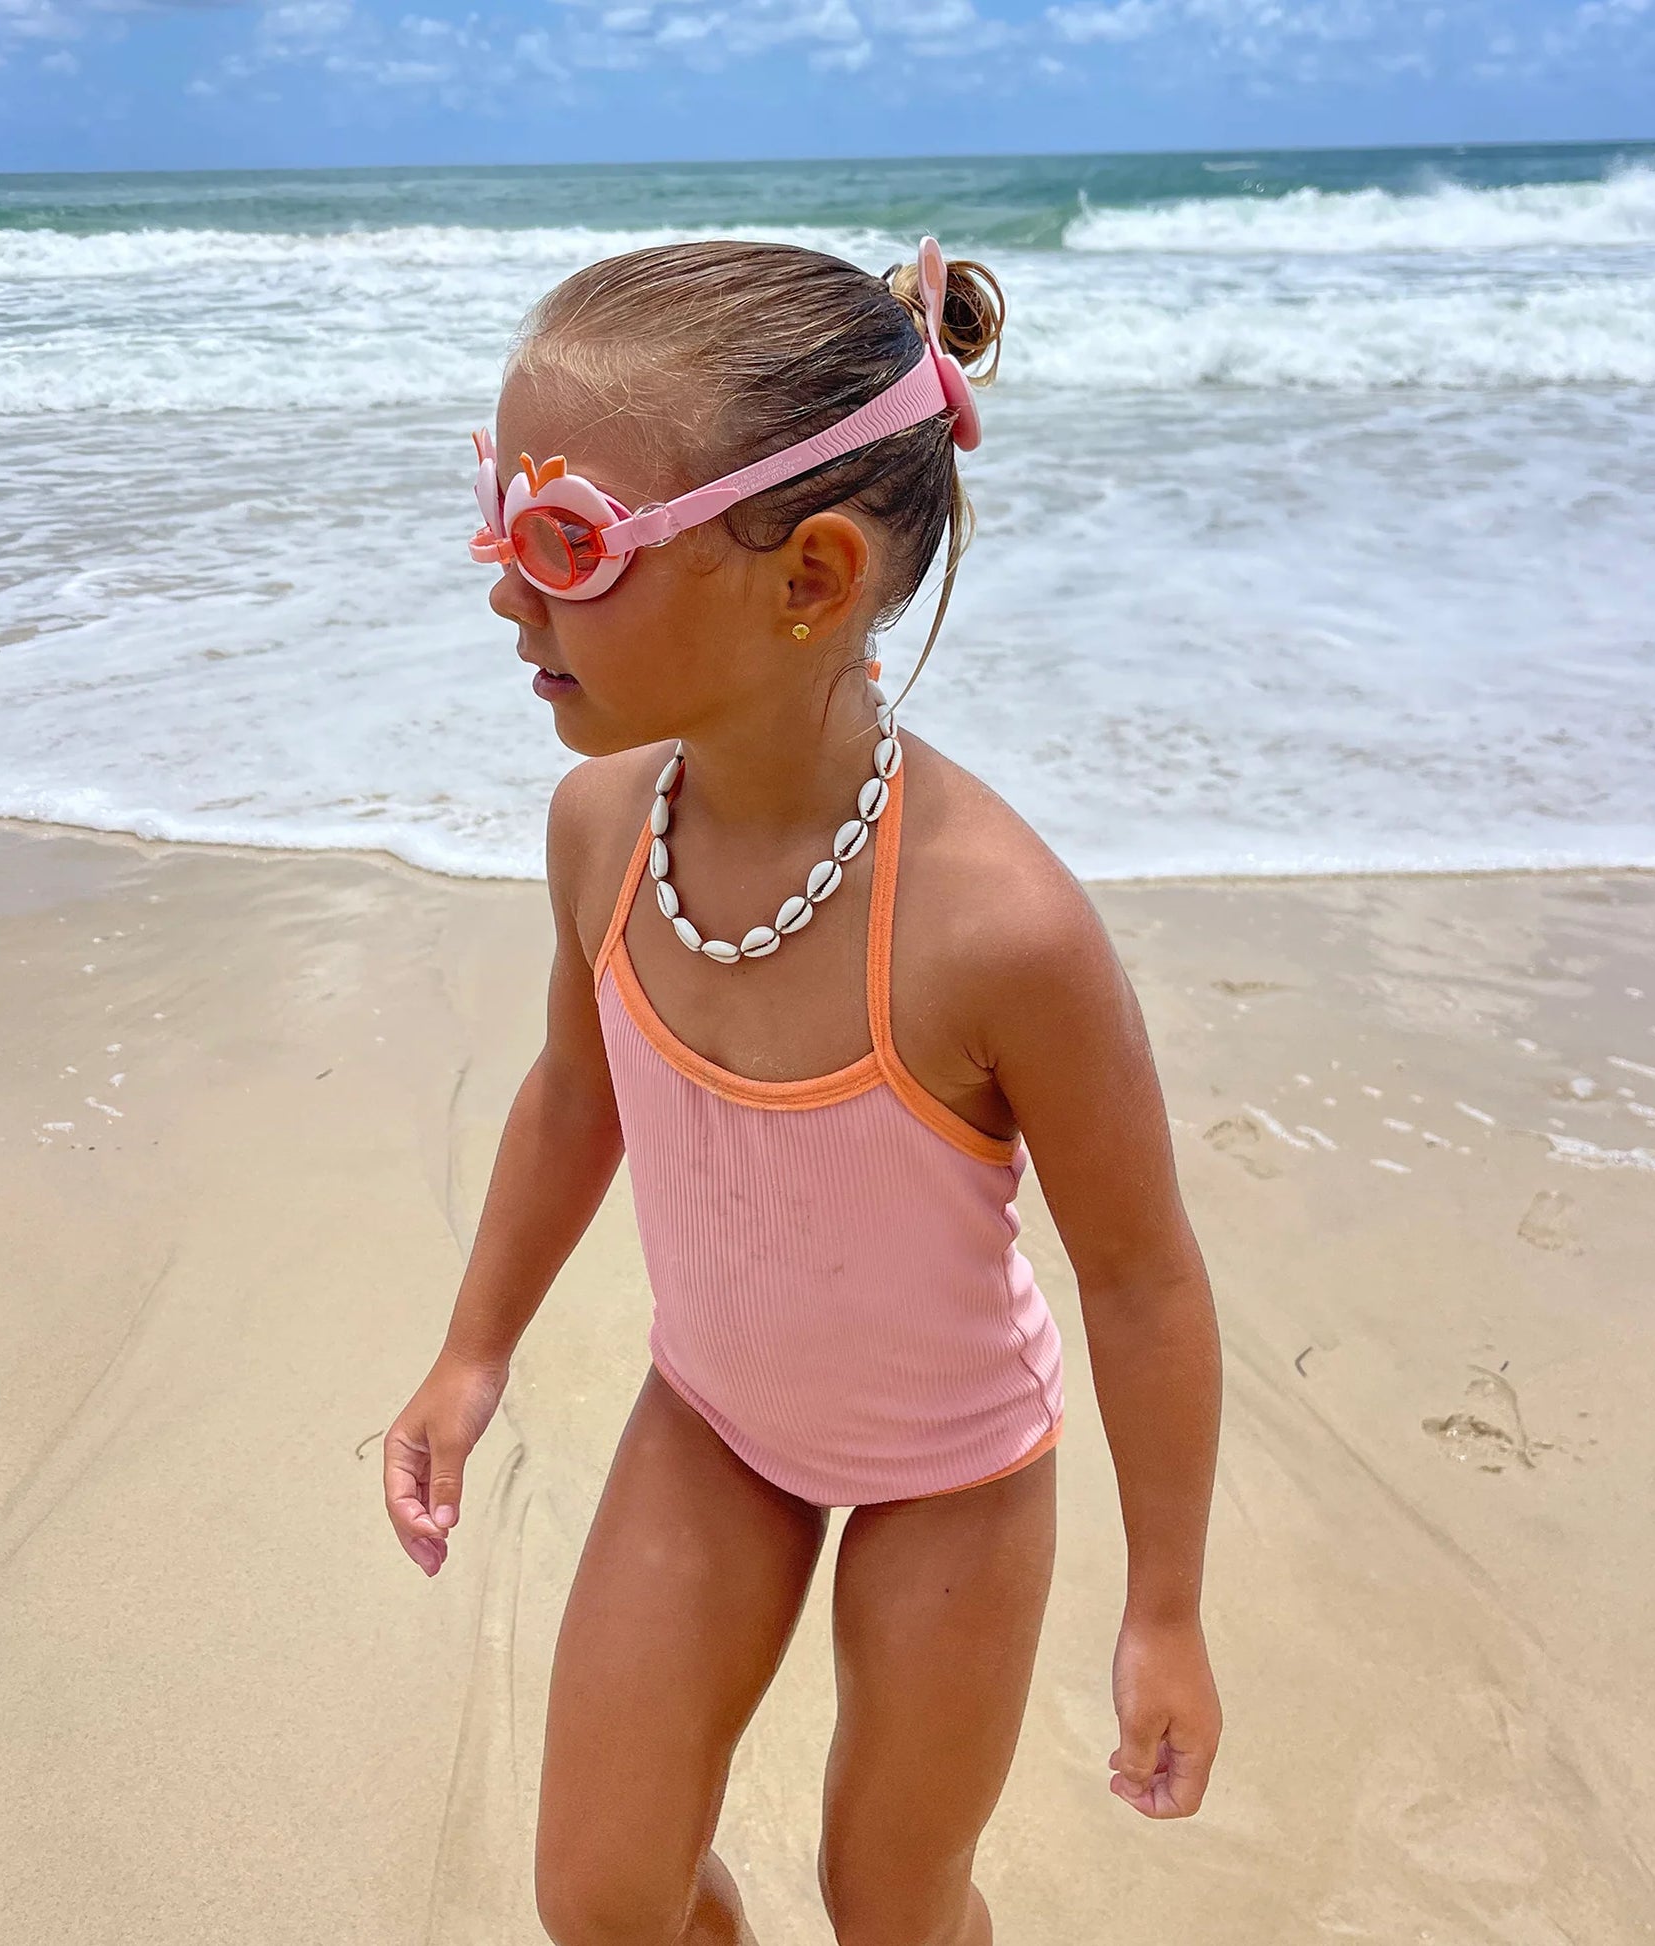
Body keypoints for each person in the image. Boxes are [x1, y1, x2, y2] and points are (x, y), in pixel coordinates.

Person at [383, 234, 1223, 1946]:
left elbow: (1141, 1279)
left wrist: (1164, 1608)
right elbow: (574, 1095)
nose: (504, 594)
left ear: (813, 575)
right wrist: (473, 1350)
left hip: (950, 1470)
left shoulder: (1000, 930)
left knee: (889, 1901)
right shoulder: (601, 830)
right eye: (495, 514)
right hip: (715, 1421)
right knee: (602, 1895)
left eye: (565, 542)